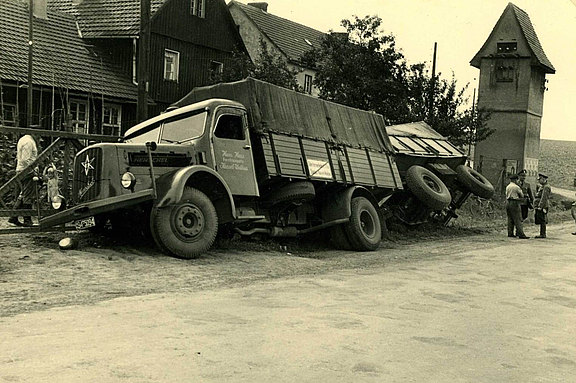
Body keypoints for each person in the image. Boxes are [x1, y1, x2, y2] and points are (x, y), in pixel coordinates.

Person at [8, 133, 38, 227]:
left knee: (23, 194)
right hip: (27, 171)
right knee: (28, 195)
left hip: (22, 169)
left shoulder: (23, 139)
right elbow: (26, 159)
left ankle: (13, 217)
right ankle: (27, 220)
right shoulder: (29, 142)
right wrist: (34, 169)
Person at [505, 174, 529, 239]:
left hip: (508, 202)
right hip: (514, 202)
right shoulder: (516, 187)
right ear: (515, 180)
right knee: (518, 218)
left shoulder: (508, 186)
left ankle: (510, 233)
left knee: (510, 219)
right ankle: (521, 234)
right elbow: (522, 195)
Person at [533, 173, 551, 239]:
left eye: (540, 179)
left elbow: (544, 197)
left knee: (542, 219)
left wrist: (540, 206)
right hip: (539, 204)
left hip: (543, 205)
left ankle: (543, 234)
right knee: (540, 218)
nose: (539, 181)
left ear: (543, 179)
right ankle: (542, 233)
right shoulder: (543, 186)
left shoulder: (546, 187)